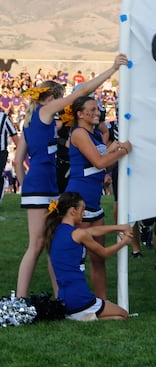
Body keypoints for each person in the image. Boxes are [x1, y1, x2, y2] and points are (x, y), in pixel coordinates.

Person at [14, 53, 128, 299]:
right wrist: (111, 70)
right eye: (60, 97)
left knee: (48, 244)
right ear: (52, 97)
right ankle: (20, 299)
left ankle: (60, 297)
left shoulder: (31, 121)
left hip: (42, 186)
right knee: (36, 245)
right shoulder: (46, 110)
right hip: (43, 188)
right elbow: (81, 93)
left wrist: (26, 188)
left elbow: (17, 160)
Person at [63, 95, 132, 299]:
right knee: (79, 258)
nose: (97, 112)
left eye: (97, 109)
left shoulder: (93, 134)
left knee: (98, 257)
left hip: (94, 202)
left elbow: (103, 166)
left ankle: (102, 301)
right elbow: (99, 163)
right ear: (80, 114)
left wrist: (113, 152)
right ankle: (77, 300)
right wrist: (123, 151)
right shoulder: (79, 133)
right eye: (91, 110)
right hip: (79, 202)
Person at [43, 191, 132, 321]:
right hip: (80, 299)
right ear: (73, 211)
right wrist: (124, 242)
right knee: (123, 315)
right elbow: (104, 253)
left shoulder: (56, 230)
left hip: (64, 300)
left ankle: (81, 317)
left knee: (117, 315)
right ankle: (86, 317)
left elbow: (93, 231)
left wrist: (119, 227)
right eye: (82, 209)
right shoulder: (79, 234)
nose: (84, 214)